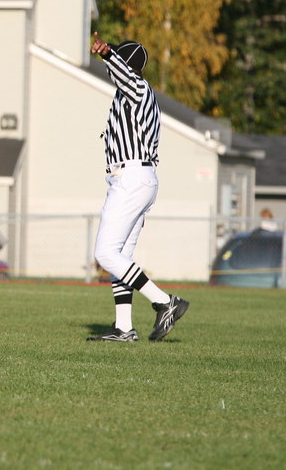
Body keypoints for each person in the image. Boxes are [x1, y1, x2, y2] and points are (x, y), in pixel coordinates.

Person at [87, 32, 189, 342]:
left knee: (105, 253)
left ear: (125, 63)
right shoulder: (133, 93)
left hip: (131, 178)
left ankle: (163, 301)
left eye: (119, 57)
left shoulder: (137, 88)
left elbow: (125, 74)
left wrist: (106, 54)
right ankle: (124, 328)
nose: (113, 61)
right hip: (138, 178)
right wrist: (110, 58)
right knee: (120, 256)